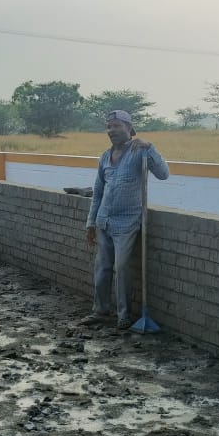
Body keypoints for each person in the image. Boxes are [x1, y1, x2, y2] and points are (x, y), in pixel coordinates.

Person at [80, 110, 170, 330]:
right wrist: (91, 223)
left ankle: (124, 315)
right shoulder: (105, 156)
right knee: (102, 268)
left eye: (116, 126)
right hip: (104, 221)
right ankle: (100, 311)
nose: (111, 130)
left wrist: (150, 147)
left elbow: (163, 174)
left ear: (129, 128)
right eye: (108, 126)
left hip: (127, 223)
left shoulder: (140, 151)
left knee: (122, 268)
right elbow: (98, 192)